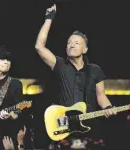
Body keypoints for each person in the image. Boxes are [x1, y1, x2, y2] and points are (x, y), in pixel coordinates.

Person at [35, 4, 117, 148]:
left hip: (89, 129)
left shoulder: (95, 70)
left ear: (85, 49)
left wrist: (108, 107)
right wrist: (49, 18)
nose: (71, 45)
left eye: (76, 43)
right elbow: (39, 47)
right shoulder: (59, 64)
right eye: (69, 43)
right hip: (64, 128)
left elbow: (101, 96)